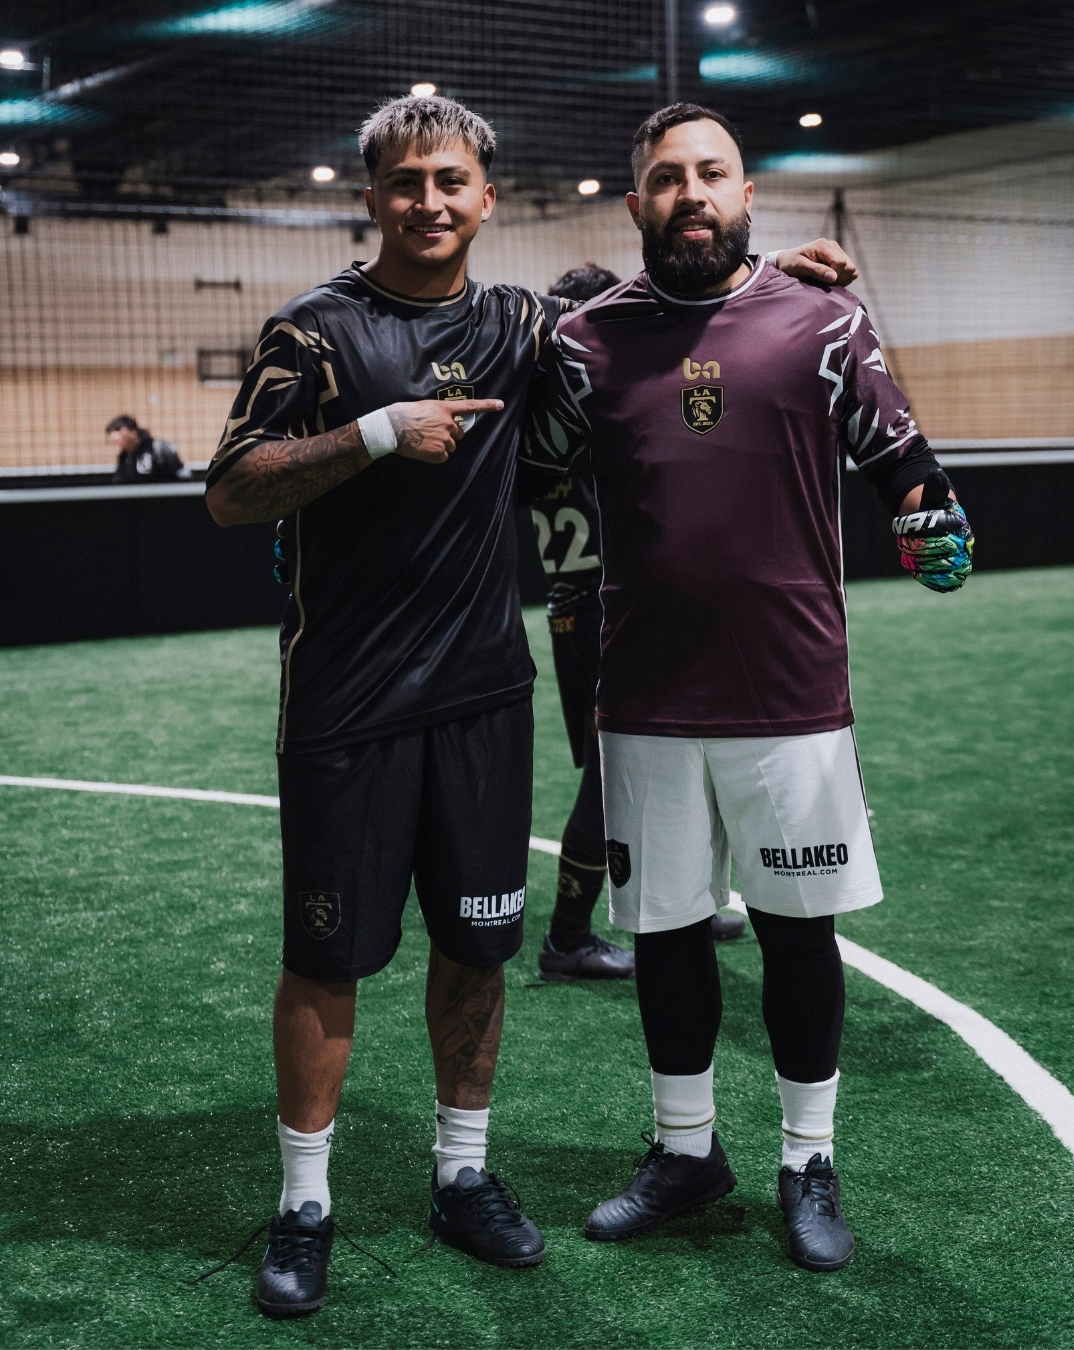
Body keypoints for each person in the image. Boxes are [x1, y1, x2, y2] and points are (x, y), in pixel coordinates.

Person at [205, 92, 862, 1316]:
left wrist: (772, 274)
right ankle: (305, 1204)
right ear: (373, 196)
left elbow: (664, 305)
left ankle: (462, 1176)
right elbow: (232, 489)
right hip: (345, 701)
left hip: (483, 697)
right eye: (407, 182)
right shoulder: (316, 331)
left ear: (486, 198)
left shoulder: (522, 327)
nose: (429, 201)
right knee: (326, 957)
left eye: (450, 181)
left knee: (478, 947)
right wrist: (376, 432)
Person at [520, 103, 972, 1273]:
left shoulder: (823, 319)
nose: (692, 193)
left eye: (711, 173)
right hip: (646, 697)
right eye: (668, 178)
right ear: (636, 204)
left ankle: (808, 1162)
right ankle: (686, 1152)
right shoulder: (584, 345)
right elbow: (513, 464)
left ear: (747, 193)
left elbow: (900, 458)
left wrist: (933, 522)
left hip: (791, 693)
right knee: (666, 935)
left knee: (795, 935)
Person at [532, 263, 744, 984]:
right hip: (610, 609)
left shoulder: (543, 410)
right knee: (610, 776)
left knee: (672, 754)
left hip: (577, 608)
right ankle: (567, 937)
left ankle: (686, 902)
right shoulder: (596, 403)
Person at [107, 415, 184, 482]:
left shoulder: (158, 448)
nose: (114, 437)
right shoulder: (124, 457)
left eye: (118, 430)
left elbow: (179, 474)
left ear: (133, 432)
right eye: (112, 433)